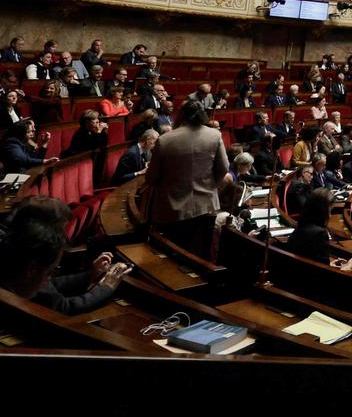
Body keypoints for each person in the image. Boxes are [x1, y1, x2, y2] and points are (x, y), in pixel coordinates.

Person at [0, 196, 132, 315]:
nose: (49, 277)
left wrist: (89, 275)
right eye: (50, 271)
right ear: (32, 270)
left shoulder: (16, 255)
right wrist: (107, 286)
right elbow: (61, 306)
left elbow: (47, 285)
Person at [144, 100, 229, 223]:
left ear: (181, 115)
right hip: (206, 204)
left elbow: (151, 177)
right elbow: (224, 167)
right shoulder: (215, 135)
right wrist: (210, 186)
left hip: (173, 208)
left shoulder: (164, 140)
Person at [286, 188, 352, 272]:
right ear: (322, 211)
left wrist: (329, 265)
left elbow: (312, 261)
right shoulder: (319, 233)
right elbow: (324, 275)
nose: (330, 215)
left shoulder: (302, 226)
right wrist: (346, 268)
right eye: (329, 211)